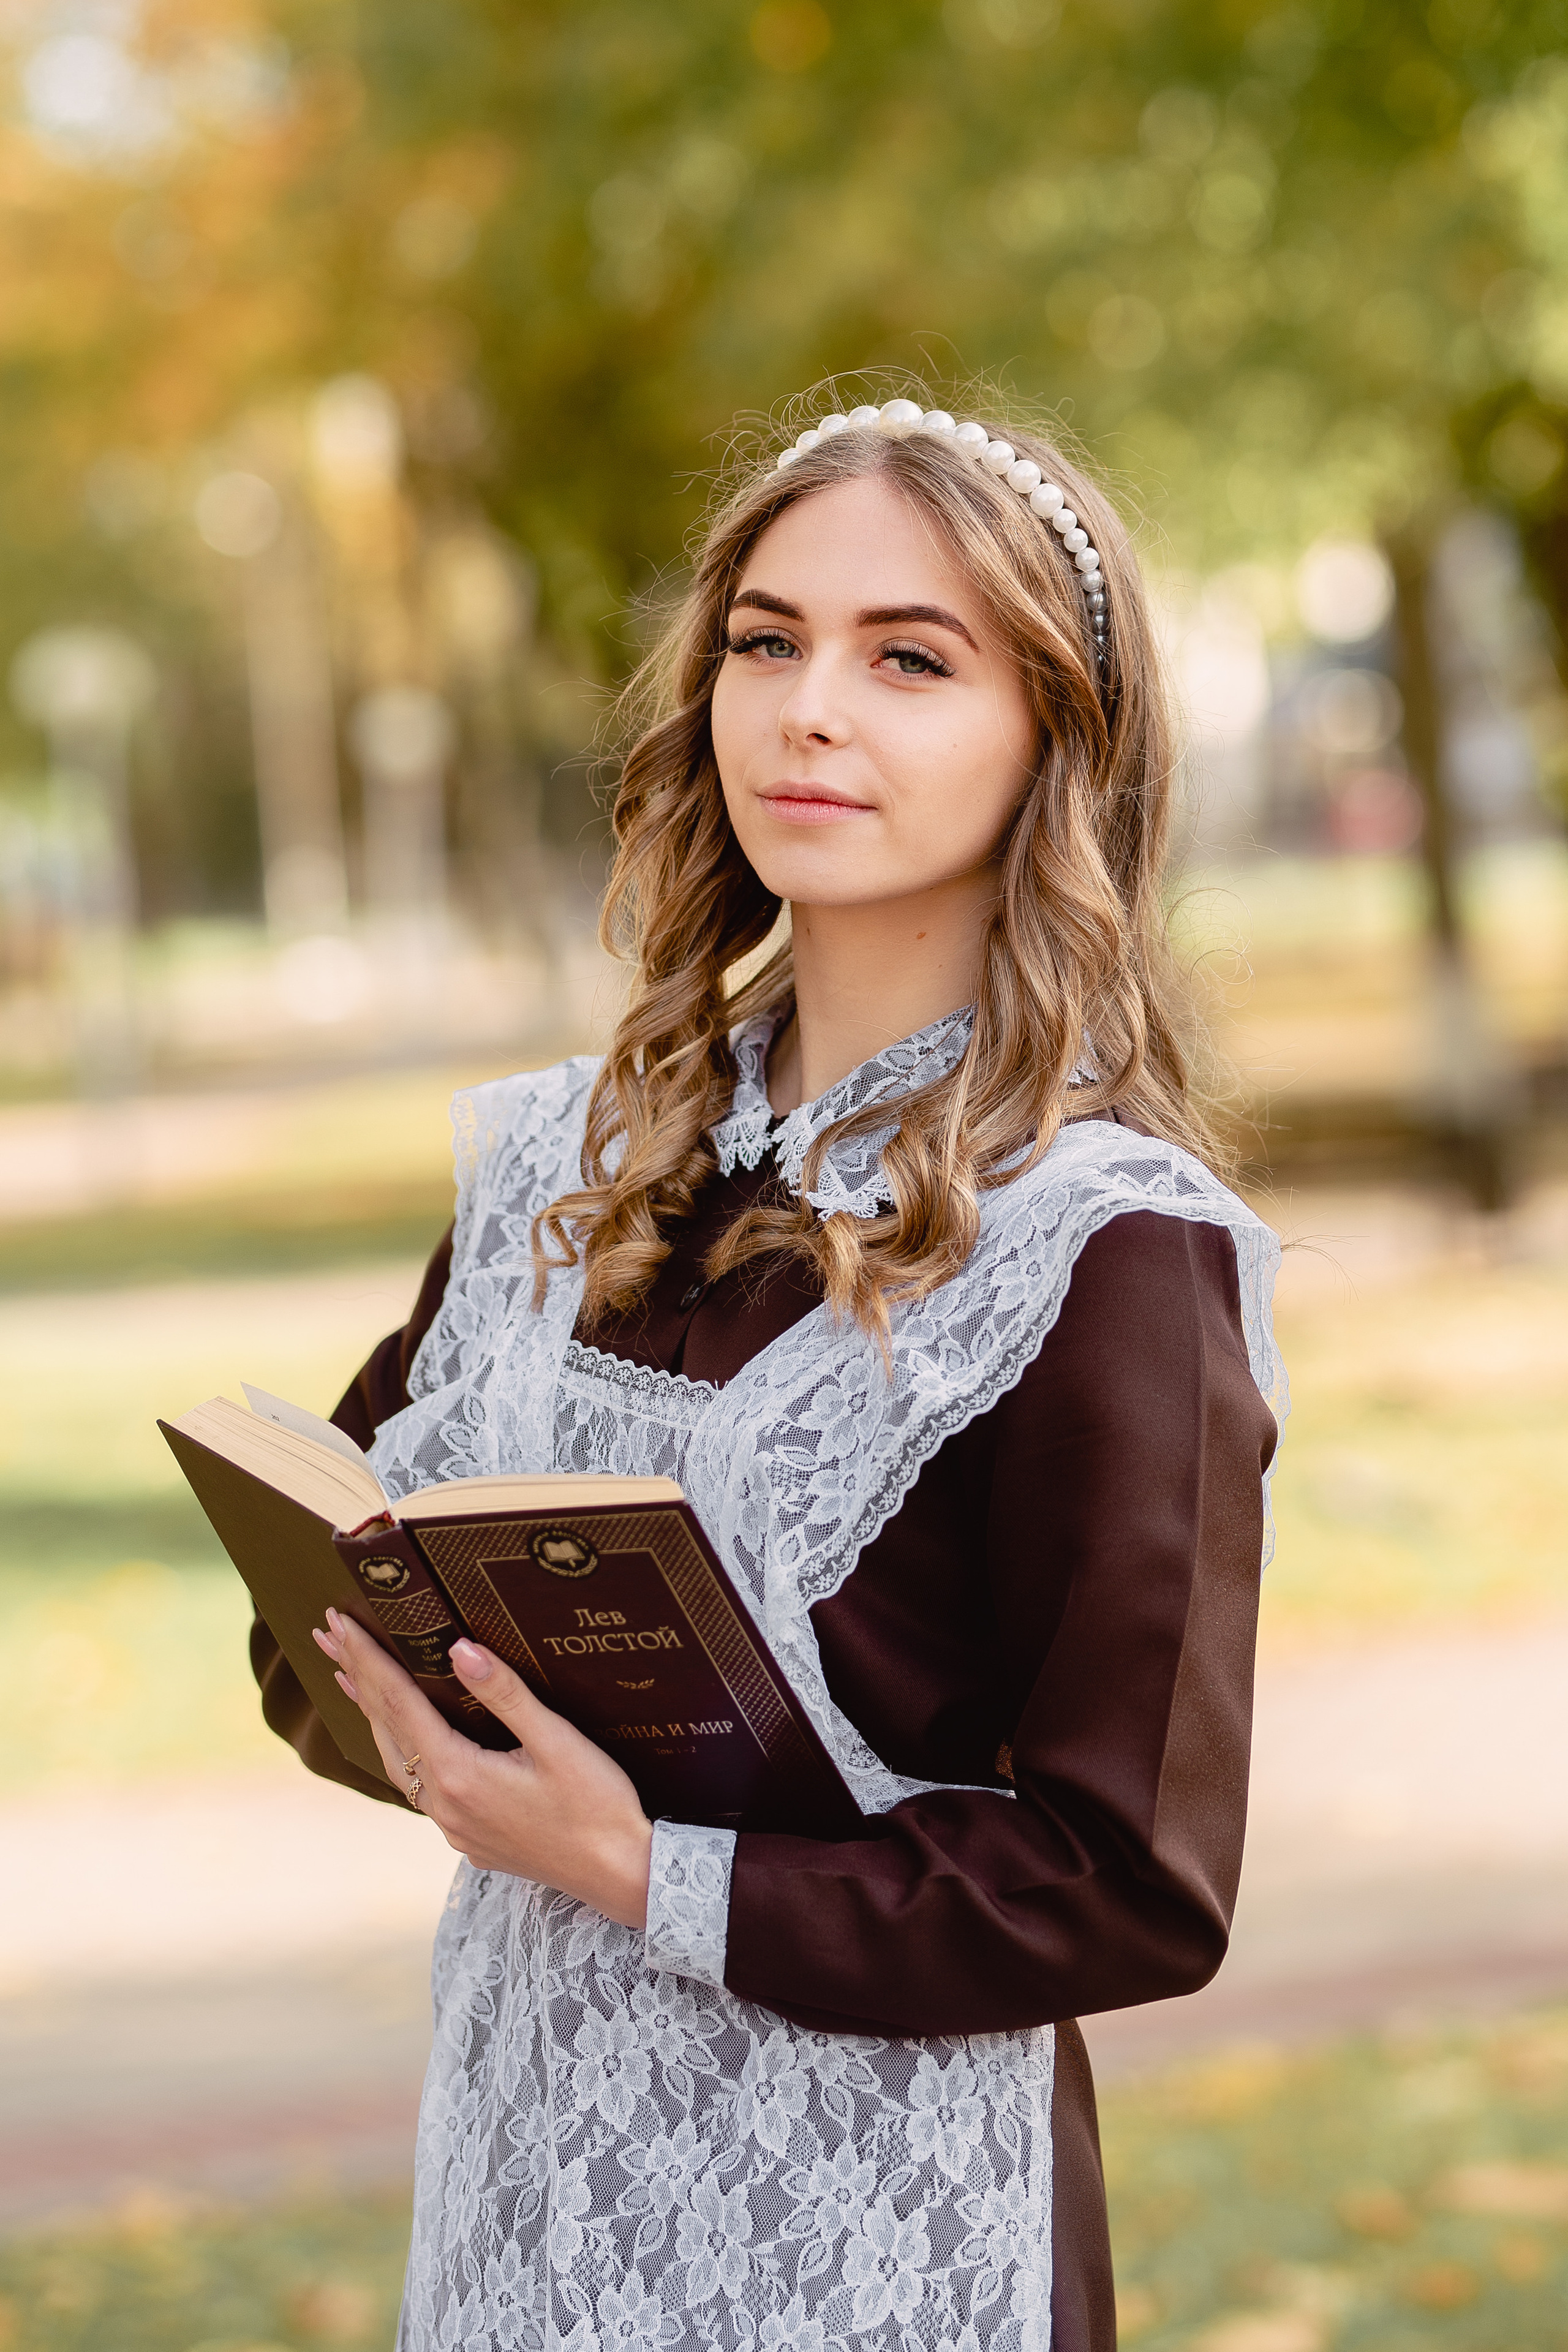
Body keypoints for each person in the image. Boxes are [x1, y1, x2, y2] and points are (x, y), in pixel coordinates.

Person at [257, 389, 1283, 2352]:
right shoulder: (568, 1168)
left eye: (911, 658)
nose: (811, 708)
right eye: (765, 641)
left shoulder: (1105, 1248)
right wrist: (397, 1679)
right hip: (527, 2184)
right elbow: (319, 1641)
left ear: (1057, 736)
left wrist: (650, 1868)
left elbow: (1128, 1879)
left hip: (884, 2229)